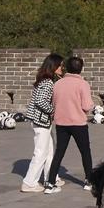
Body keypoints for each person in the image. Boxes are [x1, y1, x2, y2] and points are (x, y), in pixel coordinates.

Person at [45, 55, 95, 193]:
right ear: (81, 69)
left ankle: (50, 183)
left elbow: (54, 103)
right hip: (78, 123)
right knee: (85, 152)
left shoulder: (58, 84)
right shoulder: (83, 84)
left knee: (59, 153)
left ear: (67, 67)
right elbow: (86, 106)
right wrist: (91, 105)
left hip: (61, 123)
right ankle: (88, 181)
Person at [20, 53, 65, 192]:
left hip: (42, 121)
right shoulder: (47, 82)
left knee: (50, 151)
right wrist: (53, 110)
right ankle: (29, 183)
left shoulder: (45, 80)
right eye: (60, 65)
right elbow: (40, 101)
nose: (62, 68)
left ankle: (50, 178)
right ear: (53, 66)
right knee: (41, 152)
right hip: (41, 122)